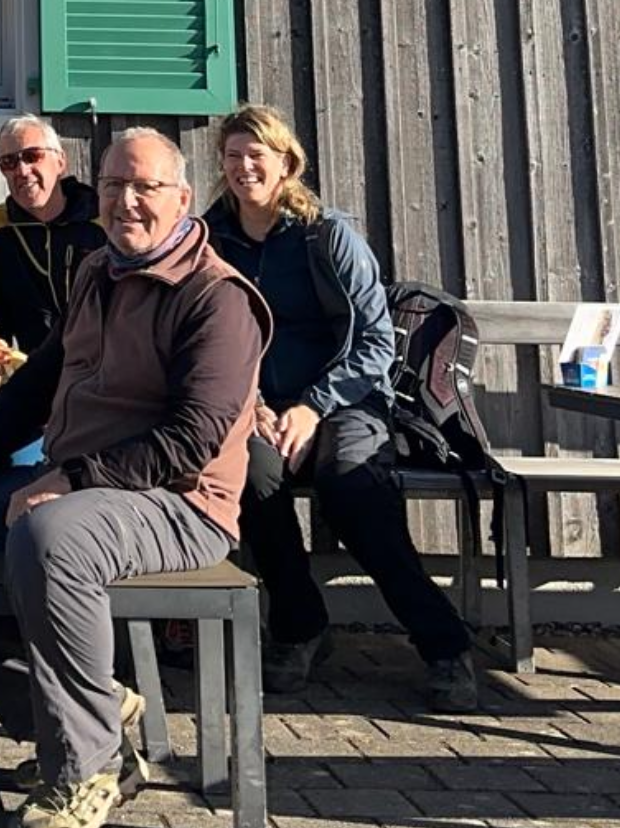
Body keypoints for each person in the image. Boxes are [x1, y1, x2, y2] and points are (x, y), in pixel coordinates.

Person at [0, 129, 272, 828]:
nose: (127, 202)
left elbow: (194, 437)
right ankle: (93, 709)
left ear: (183, 198)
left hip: (179, 502)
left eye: (145, 187)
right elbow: (33, 387)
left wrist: (73, 479)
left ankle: (83, 770)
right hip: (80, 487)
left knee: (51, 537)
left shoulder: (217, 298)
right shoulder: (99, 271)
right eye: (114, 186)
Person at [202, 103, 478, 711]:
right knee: (249, 477)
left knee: (352, 488)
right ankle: (299, 627)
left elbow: (376, 343)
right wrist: (251, 404)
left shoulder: (327, 235)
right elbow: (206, 336)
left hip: (348, 398)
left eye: (257, 156)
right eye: (233, 156)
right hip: (255, 405)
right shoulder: (211, 239)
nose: (244, 167)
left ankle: (445, 645)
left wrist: (312, 406)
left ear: (286, 163)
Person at [0, 114, 109, 353]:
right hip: (34, 366)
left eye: (32, 156)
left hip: (103, 365)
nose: (22, 170)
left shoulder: (103, 219)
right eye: (8, 162)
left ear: (60, 161)